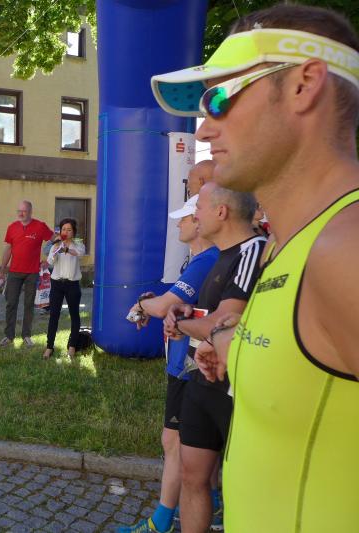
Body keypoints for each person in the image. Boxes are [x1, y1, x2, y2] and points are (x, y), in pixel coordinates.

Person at [154, 5, 359, 530]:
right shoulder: (281, 245)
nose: (205, 129)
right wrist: (232, 348)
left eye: (221, 99)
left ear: (303, 85)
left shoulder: (346, 247)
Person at [162, 184, 265, 532]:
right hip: (200, 377)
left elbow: (221, 322)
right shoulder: (221, 254)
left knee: (238, 486)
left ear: (221, 212)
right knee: (193, 476)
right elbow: (210, 316)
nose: (195, 215)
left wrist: (182, 323)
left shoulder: (253, 249)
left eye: (200, 208)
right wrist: (187, 313)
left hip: (230, 387)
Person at [116, 194, 218, 533]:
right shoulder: (199, 260)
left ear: (199, 223)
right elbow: (175, 307)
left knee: (174, 444)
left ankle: (161, 521)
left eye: (184, 218)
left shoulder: (206, 260)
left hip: (189, 368)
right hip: (187, 364)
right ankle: (209, 508)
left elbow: (163, 307)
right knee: (190, 447)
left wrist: (144, 305)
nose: (178, 225)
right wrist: (156, 306)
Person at [0, 200, 56, 347]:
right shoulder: (12, 227)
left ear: (30, 211)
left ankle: (26, 336)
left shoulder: (40, 226)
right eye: (19, 211)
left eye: (24, 211)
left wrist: (49, 259)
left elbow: (55, 240)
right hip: (14, 272)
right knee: (11, 303)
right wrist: (2, 269)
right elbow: (8, 249)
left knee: (29, 304)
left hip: (32, 272)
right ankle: (9, 336)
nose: (21, 213)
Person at [43, 218, 85, 359]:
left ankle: (72, 346)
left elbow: (80, 254)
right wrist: (56, 248)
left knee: (74, 315)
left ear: (73, 232)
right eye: (63, 229)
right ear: (60, 231)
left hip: (72, 284)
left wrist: (66, 248)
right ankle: (49, 347)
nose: (66, 232)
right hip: (57, 284)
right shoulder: (56, 245)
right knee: (54, 315)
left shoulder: (78, 244)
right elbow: (50, 261)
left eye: (69, 229)